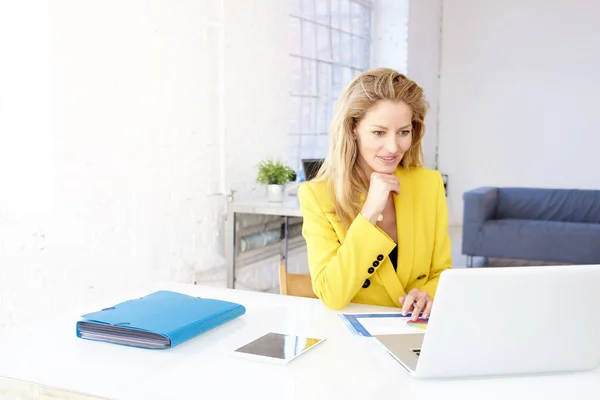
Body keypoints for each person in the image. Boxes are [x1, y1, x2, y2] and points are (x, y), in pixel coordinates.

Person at [297, 68, 452, 319]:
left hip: (414, 333)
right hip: (353, 339)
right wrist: (368, 213)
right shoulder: (317, 196)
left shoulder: (428, 184)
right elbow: (332, 295)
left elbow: (441, 273)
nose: (393, 147)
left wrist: (427, 294)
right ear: (352, 129)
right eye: (379, 132)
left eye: (403, 132)